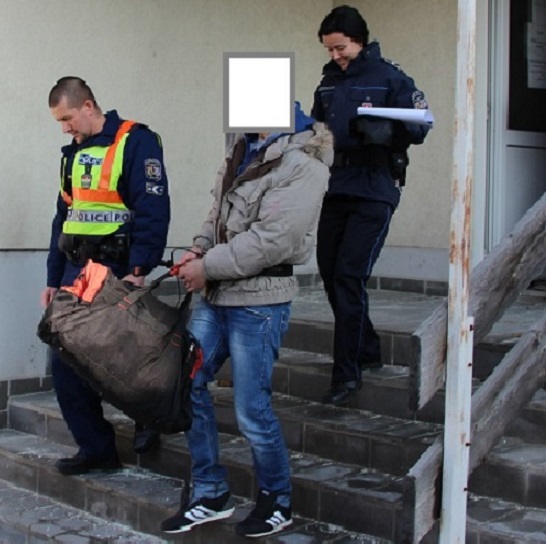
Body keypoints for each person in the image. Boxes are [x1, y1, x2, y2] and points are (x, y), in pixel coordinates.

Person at [160, 103, 333, 538]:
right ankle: (211, 492)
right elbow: (215, 213)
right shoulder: (241, 148)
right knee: (189, 383)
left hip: (259, 301)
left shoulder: (304, 163)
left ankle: (277, 500)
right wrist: (196, 250)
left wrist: (207, 266)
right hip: (216, 293)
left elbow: (272, 241)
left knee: (251, 409)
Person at [40, 77, 170, 475]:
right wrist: (53, 277)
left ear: (88, 106)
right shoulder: (72, 155)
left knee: (125, 359)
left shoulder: (135, 141)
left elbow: (153, 209)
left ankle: (149, 420)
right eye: (59, 122)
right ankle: (96, 448)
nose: (65, 128)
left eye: (67, 118)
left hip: (116, 270)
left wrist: (138, 269)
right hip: (77, 271)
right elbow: (64, 219)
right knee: (63, 359)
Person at [311, 5, 430, 406]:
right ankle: (368, 347)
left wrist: (385, 127)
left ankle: (346, 375)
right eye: (329, 50)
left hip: (374, 189)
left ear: (359, 41)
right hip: (335, 188)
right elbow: (315, 131)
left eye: (340, 48)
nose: (335, 57)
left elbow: (420, 126)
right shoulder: (327, 83)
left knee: (348, 276)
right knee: (331, 274)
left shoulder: (390, 77)